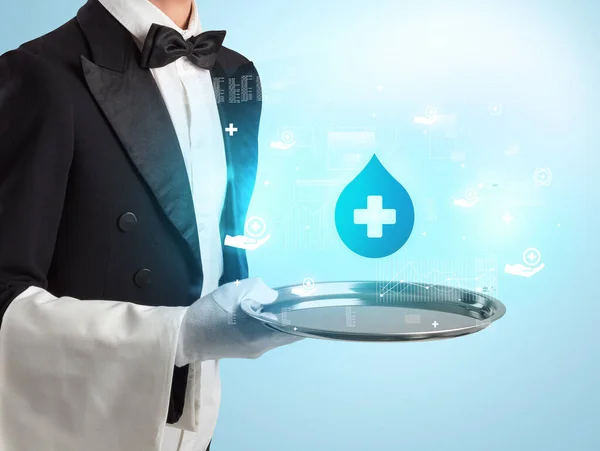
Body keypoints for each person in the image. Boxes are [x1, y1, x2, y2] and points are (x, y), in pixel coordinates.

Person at [0, 0, 302, 450]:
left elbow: (215, 233)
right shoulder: (38, 72)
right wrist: (182, 334)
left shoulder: (236, 75)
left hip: (196, 415)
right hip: (83, 422)